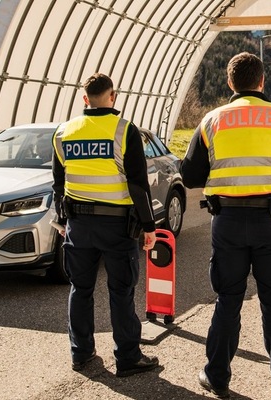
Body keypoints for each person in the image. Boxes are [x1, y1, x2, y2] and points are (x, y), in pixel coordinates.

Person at [180, 52, 271, 399]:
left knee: (227, 300)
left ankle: (216, 376)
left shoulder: (211, 120)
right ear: (262, 82)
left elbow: (188, 176)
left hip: (226, 222)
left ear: (230, 83)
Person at [51, 72, 159, 378]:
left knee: (80, 289)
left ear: (85, 99)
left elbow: (58, 185)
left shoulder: (63, 132)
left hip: (78, 225)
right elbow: (138, 185)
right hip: (117, 226)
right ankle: (127, 357)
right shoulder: (124, 131)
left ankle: (80, 354)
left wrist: (61, 220)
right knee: (121, 291)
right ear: (113, 97)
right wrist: (149, 227)